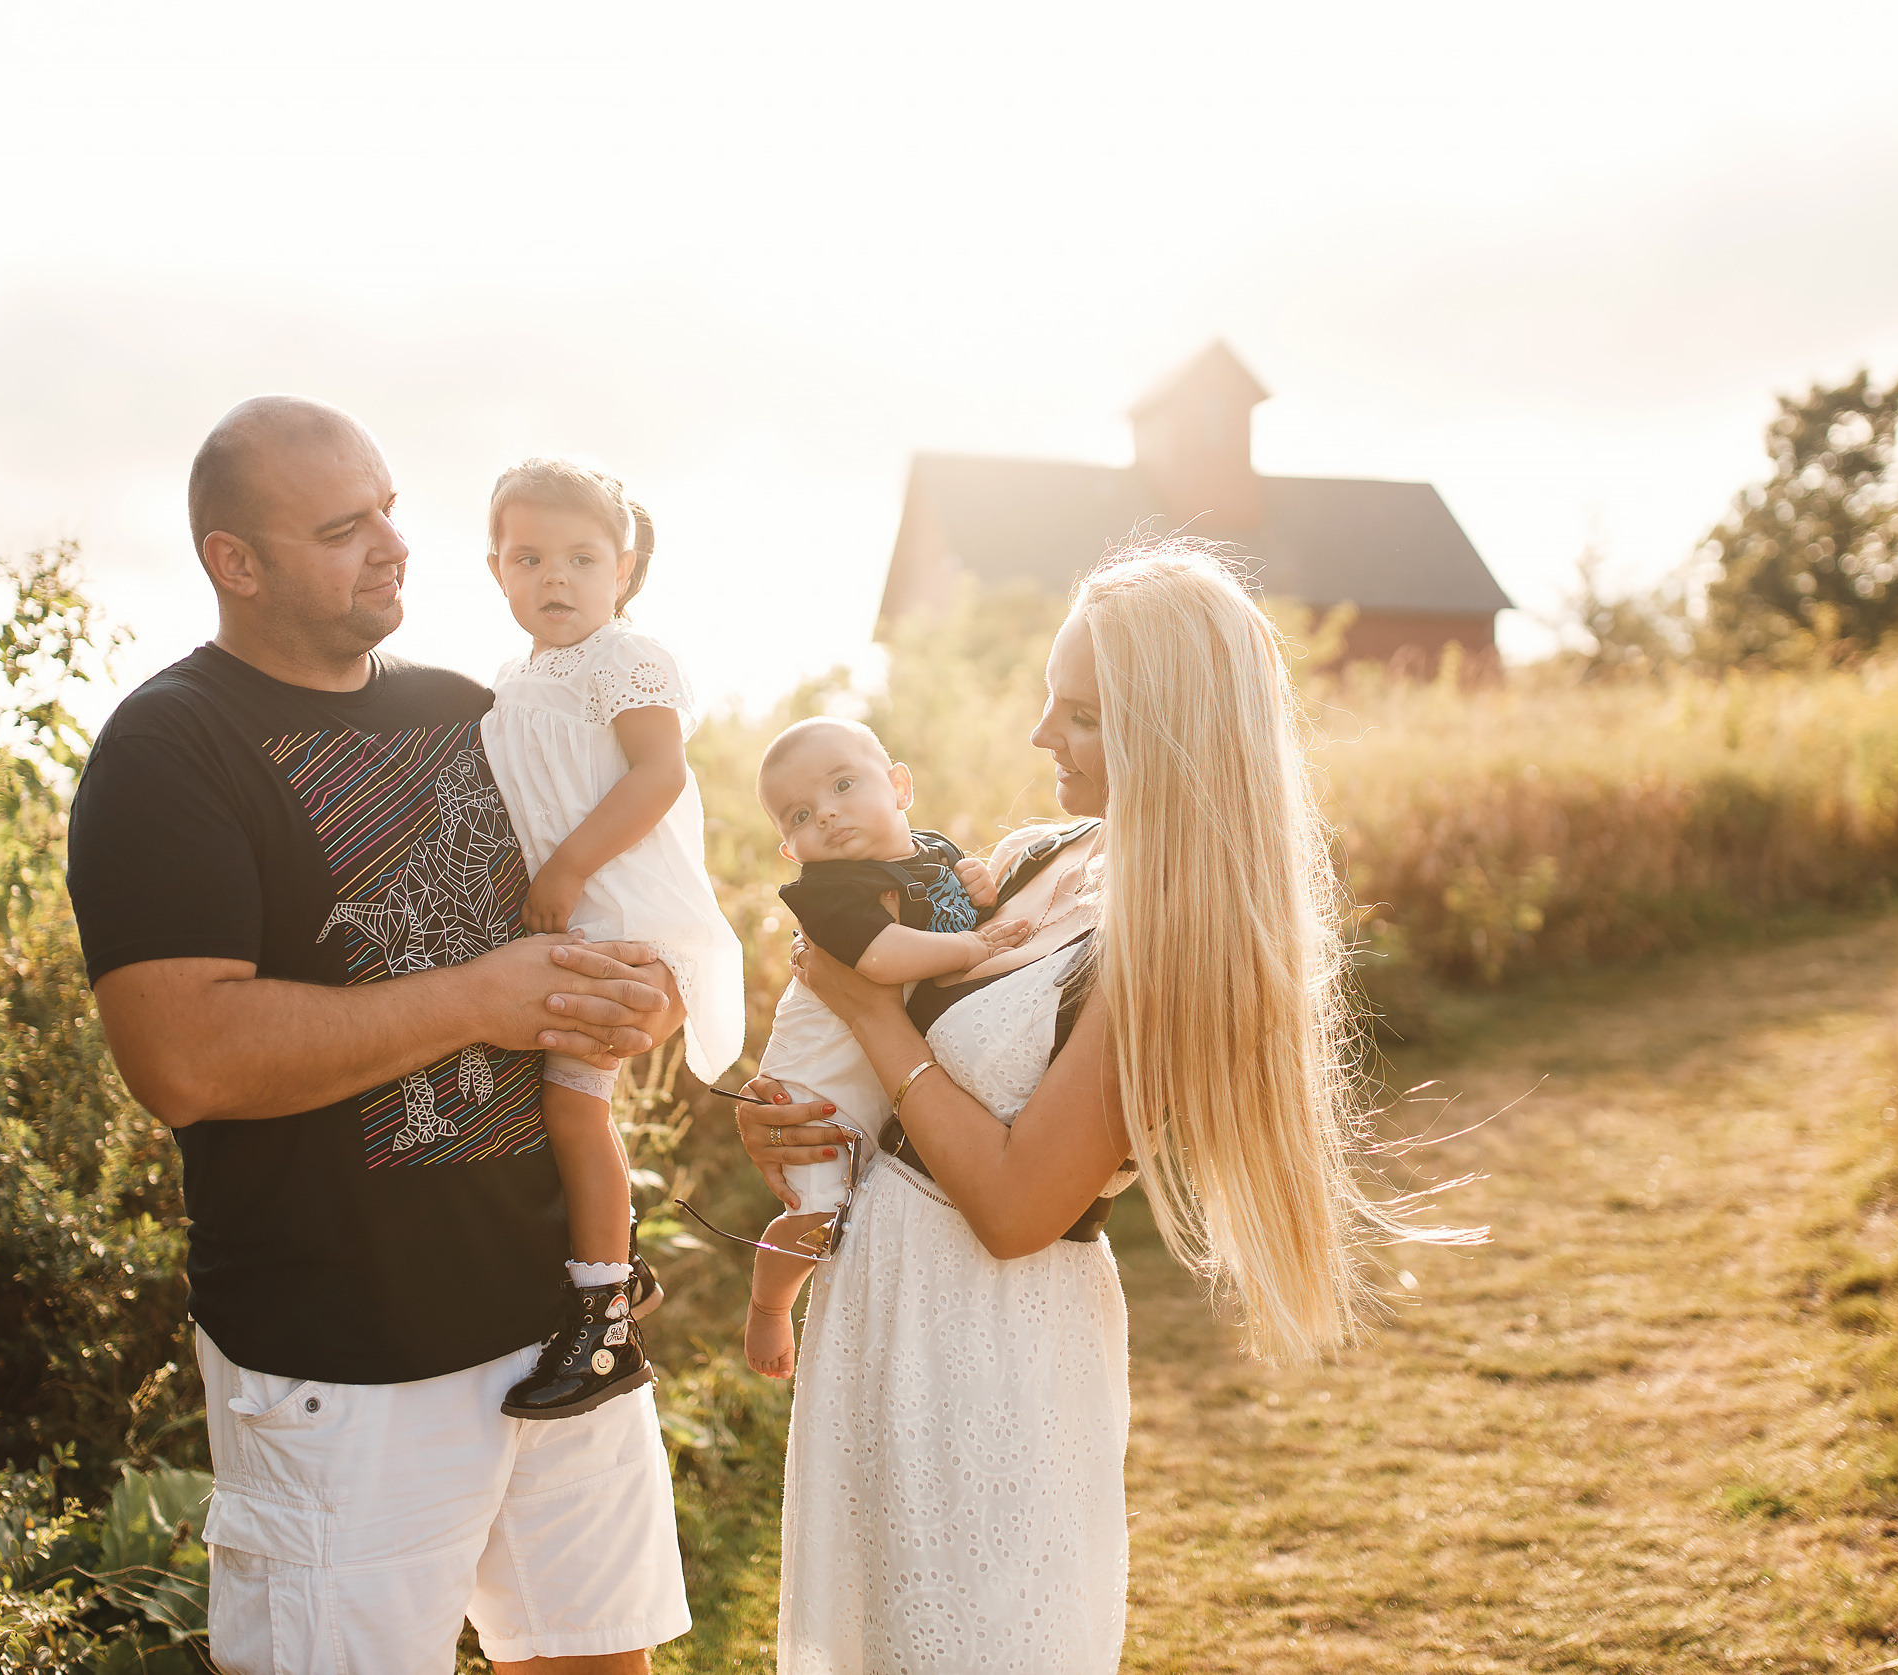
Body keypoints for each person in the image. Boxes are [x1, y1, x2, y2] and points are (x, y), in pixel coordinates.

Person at [66, 396, 692, 1675]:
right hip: (344, 1365)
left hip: (562, 1329)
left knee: (600, 1664)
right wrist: (481, 997)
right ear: (234, 563)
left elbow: (626, 903)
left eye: (393, 510)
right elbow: (182, 1059)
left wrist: (641, 994)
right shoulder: (169, 749)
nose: (393, 545)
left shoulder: (480, 709)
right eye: (344, 527)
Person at [737, 543, 1414, 1674]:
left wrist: (873, 1022)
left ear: (1177, 733)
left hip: (995, 1345)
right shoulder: (1037, 858)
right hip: (879, 1303)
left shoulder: (1178, 943)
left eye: (1084, 715)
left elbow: (1015, 1210)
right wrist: (796, 1126)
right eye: (1051, 701)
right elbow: (856, 974)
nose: (1042, 735)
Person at [477, 457, 744, 1418]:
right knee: (563, 1110)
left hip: (626, 916)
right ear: (497, 570)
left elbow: (656, 775)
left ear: (623, 569)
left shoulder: (627, 659)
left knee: (574, 1113)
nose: (556, 577)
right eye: (530, 557)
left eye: (582, 558)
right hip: (582, 920)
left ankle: (605, 1319)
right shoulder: (516, 679)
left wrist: (567, 870)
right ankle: (612, 1274)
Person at [737, 717, 1026, 1378]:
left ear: (900, 786)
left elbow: (959, 892)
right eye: (803, 814)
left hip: (880, 1078)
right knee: (820, 1218)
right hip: (818, 1090)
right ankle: (770, 1302)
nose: (829, 813)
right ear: (791, 849)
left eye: (843, 784)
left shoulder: (932, 852)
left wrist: (979, 886)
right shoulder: (829, 891)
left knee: (856, 1218)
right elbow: (882, 957)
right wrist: (974, 945)